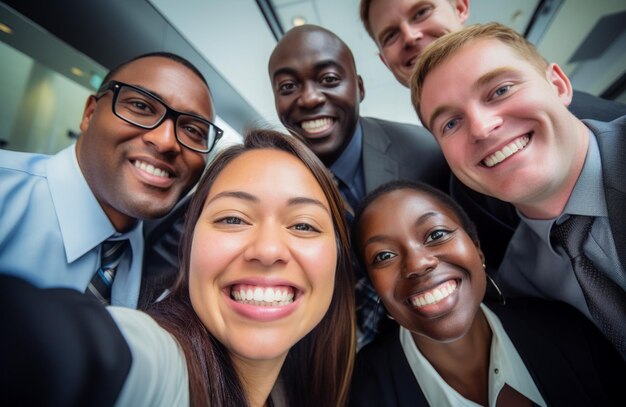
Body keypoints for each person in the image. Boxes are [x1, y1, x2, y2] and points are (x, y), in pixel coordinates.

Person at [1, 128, 356, 407]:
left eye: (304, 225)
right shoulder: (162, 364)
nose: (267, 250)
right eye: (232, 219)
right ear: (189, 248)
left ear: (339, 259)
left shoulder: (296, 389)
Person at [358, 0, 626, 270]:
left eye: (422, 12)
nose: (410, 36)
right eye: (450, 124)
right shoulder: (514, 264)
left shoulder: (598, 126)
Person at [411, 23, 626, 358]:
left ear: (558, 84)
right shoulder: (518, 282)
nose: (482, 128)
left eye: (500, 91)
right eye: (451, 123)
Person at [349, 180, 626, 406]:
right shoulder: (359, 392)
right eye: (384, 256)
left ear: (477, 249)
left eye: (435, 235)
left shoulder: (568, 331)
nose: (418, 264)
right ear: (375, 288)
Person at [268, 24, 450, 348]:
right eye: (287, 86)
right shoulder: (271, 184)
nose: (309, 98)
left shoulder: (427, 153)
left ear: (360, 88)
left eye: (328, 80)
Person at [0, 52, 222, 308]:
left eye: (193, 130)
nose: (165, 142)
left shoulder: (175, 261)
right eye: (141, 107)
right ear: (89, 113)